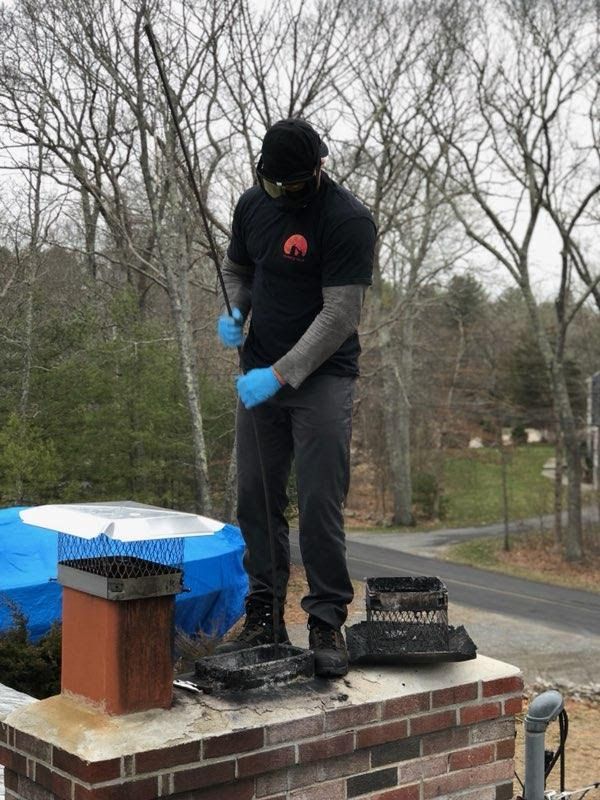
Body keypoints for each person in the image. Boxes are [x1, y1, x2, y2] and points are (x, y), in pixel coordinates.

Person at [216, 118, 376, 677]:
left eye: (292, 186)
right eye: (272, 184)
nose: (281, 196)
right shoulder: (250, 206)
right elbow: (238, 269)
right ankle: (263, 612)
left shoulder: (348, 219)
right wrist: (237, 312)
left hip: (323, 377)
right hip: (259, 373)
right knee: (255, 498)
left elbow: (339, 316)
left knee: (317, 500)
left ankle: (327, 618)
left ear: (317, 170)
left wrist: (280, 375)